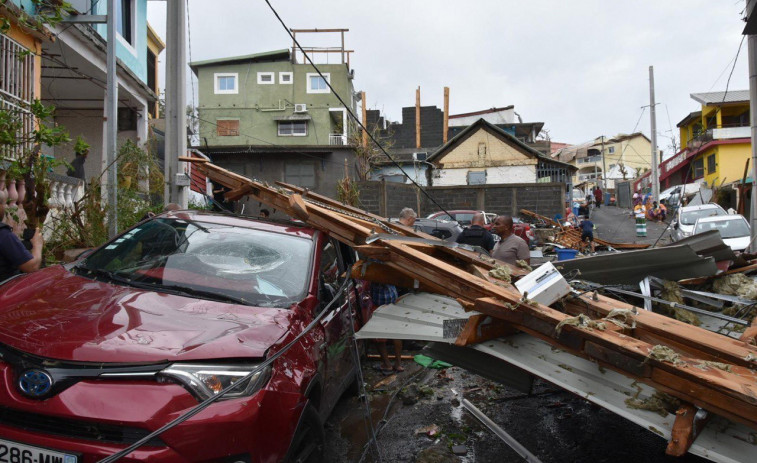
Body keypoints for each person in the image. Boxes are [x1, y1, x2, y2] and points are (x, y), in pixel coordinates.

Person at [372, 207, 417, 374]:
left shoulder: (388, 236)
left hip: (381, 293)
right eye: (414, 220)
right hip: (392, 290)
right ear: (410, 218)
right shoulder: (399, 234)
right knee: (395, 329)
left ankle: (387, 364)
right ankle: (398, 364)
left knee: (379, 332)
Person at [0, 189, 43, 282]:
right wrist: (37, 246)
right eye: (3, 204)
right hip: (7, 291)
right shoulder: (4, 235)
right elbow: (31, 266)